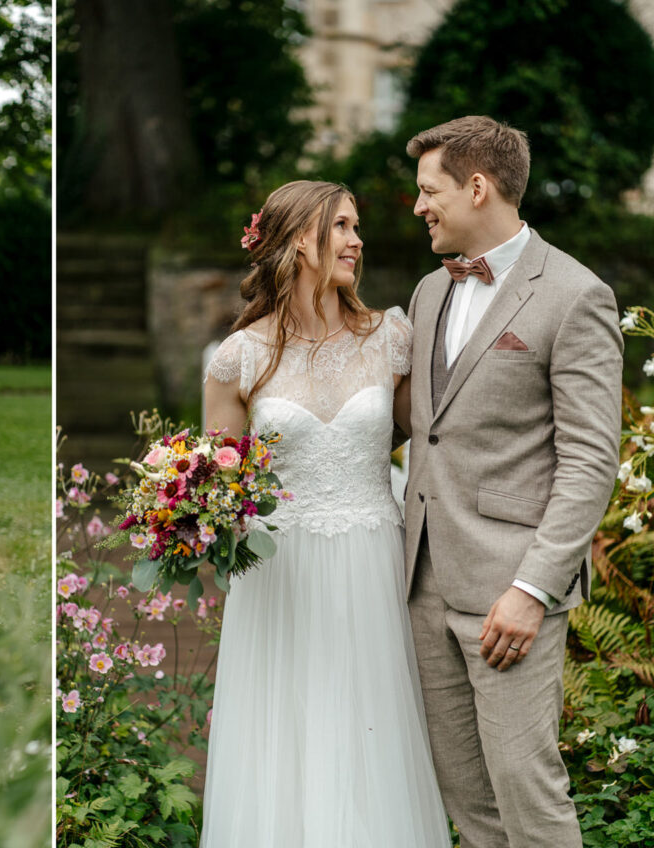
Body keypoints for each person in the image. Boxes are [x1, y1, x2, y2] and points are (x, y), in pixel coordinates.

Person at [200, 180, 449, 847]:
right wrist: (190, 522)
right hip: (280, 575)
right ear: (297, 242)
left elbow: (428, 441)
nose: (357, 240)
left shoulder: (393, 338)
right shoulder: (239, 359)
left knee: (371, 732)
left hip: (373, 559)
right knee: (284, 741)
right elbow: (217, 487)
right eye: (341, 226)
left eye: (357, 227)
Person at [402, 116, 622, 847]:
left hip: (509, 593)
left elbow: (591, 460)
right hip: (424, 583)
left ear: (476, 186)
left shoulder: (575, 295)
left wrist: (533, 590)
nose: (418, 206)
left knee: (528, 797)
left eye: (428, 190)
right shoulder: (428, 293)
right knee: (467, 800)